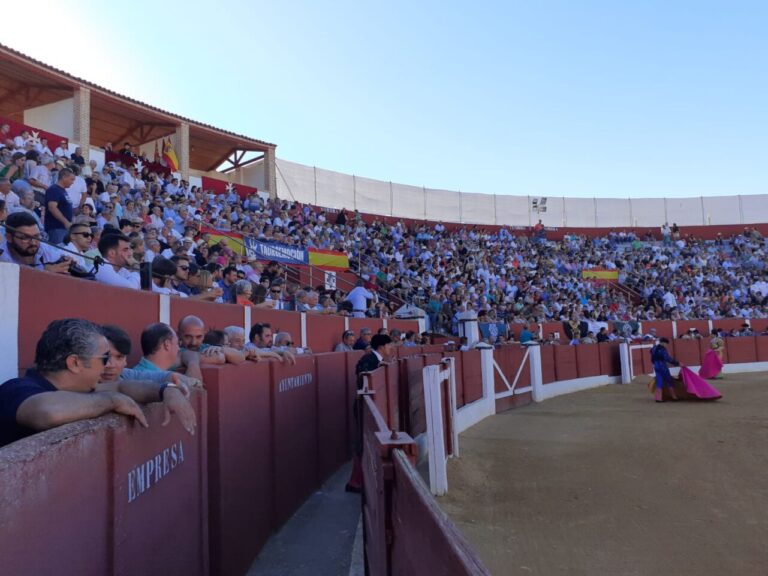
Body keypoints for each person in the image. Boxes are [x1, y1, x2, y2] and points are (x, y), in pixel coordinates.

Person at [0, 319, 147, 448]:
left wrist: (165, 389)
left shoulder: (77, 390)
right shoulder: (16, 389)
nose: (108, 365)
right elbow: (48, 411)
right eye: (104, 358)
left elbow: (121, 387)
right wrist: (112, 400)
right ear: (75, 363)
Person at [99, 325, 196, 435]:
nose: (110, 365)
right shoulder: (84, 384)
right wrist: (165, 389)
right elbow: (123, 387)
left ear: (125, 360)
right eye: (105, 357)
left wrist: (173, 385)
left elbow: (161, 376)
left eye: (119, 357)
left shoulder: (125, 373)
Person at [346, 334, 394, 493]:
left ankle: (359, 480)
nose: (391, 348)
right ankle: (355, 482)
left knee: (365, 443)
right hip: (363, 407)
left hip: (367, 406)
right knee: (362, 444)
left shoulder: (376, 360)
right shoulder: (368, 360)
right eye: (389, 345)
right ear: (382, 346)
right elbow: (363, 380)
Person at [177, 315, 245, 365]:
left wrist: (221, 349)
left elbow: (240, 357)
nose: (193, 342)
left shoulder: (204, 347)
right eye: (188, 337)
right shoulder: (174, 350)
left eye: (198, 337)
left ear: (204, 335)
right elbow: (219, 358)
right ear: (179, 335)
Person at [43, 167, 75, 245]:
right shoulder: (54, 189)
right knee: (58, 252)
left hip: (63, 228)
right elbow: (52, 207)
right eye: (72, 179)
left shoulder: (63, 191)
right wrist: (66, 222)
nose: (73, 182)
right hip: (56, 228)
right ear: (64, 177)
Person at [650, 338, 679, 402]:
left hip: (656, 366)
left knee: (659, 381)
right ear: (663, 343)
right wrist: (677, 363)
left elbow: (651, 356)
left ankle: (658, 398)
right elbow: (667, 358)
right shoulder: (663, 349)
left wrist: (654, 363)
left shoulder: (654, 348)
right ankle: (674, 397)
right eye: (666, 344)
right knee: (669, 380)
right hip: (662, 366)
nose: (666, 345)